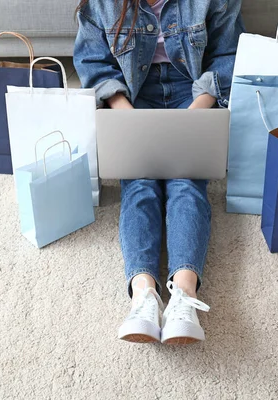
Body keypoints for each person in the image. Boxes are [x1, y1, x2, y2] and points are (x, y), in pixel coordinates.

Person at [74, 0, 244, 344]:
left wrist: (196, 113)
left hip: (193, 92)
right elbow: (94, 63)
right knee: (139, 183)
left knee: (186, 181)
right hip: (131, 95)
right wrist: (127, 115)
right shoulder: (100, 5)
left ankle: (183, 295)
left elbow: (228, 55)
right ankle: (144, 295)